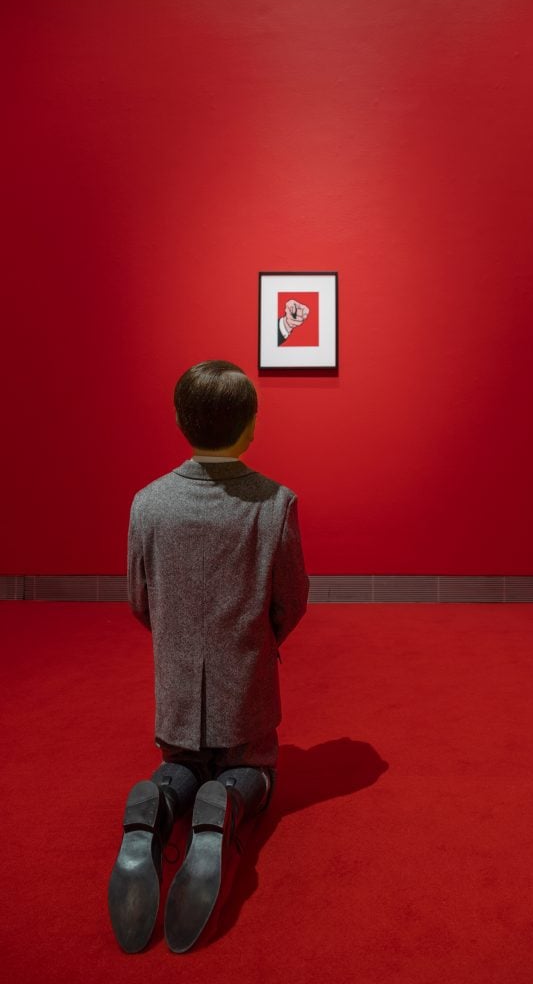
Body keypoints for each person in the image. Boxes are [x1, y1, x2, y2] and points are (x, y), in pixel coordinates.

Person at [108, 359, 309, 954]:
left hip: (174, 693)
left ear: (179, 420)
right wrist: (255, 642)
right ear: (250, 425)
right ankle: (235, 796)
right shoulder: (274, 503)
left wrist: (178, 638)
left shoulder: (148, 503)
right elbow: (291, 600)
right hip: (244, 688)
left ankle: (167, 796)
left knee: (180, 764)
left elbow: (140, 600)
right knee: (259, 772)